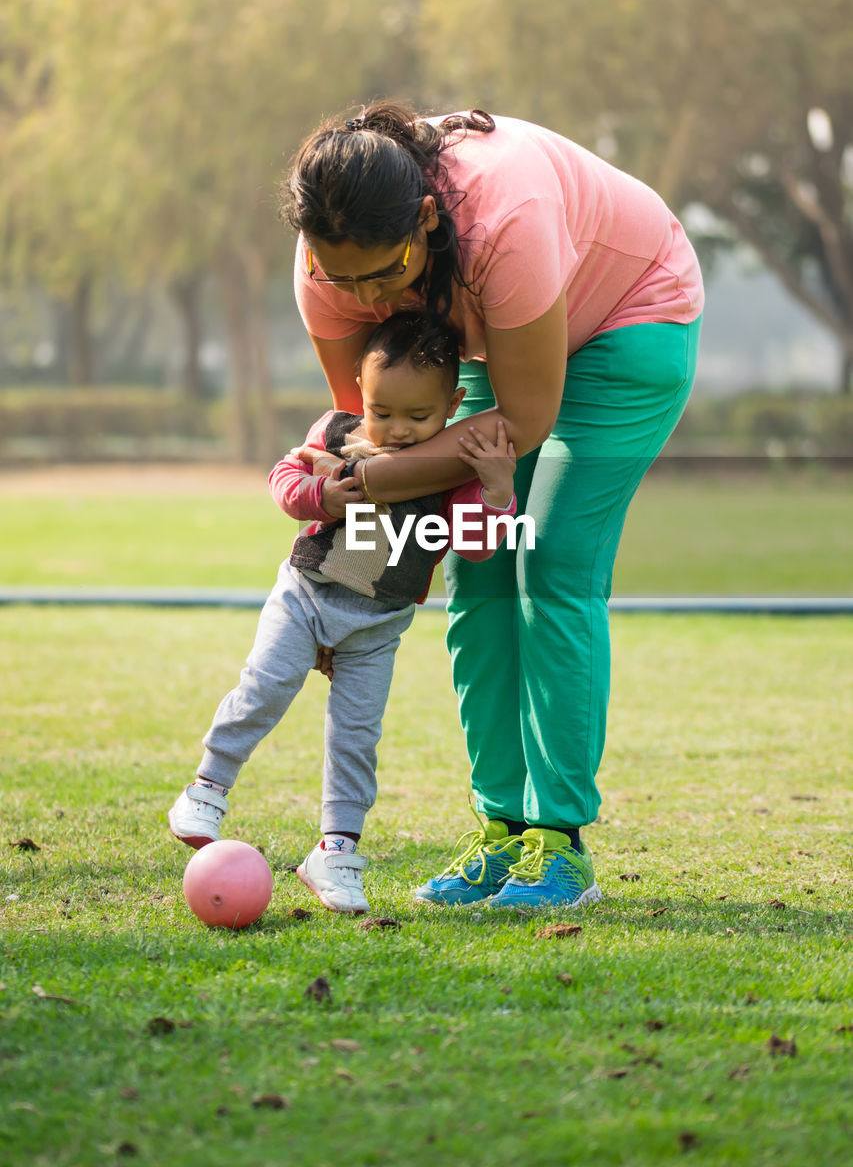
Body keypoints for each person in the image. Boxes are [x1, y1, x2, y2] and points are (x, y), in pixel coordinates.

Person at [280, 101, 704, 909]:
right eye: (345, 278)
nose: (366, 297)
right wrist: (346, 590)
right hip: (473, 334)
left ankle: (557, 844)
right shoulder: (323, 267)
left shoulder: (504, 213)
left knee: (547, 564)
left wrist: (366, 487)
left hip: (626, 319)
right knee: (474, 572)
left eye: (383, 272)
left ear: (427, 220)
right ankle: (498, 829)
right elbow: (381, 445)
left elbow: (524, 417)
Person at [168, 310, 518, 914]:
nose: (398, 431)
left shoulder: (450, 471)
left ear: (455, 402)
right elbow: (284, 475)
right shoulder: (338, 433)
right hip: (304, 597)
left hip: (376, 629)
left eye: (419, 417)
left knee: (356, 739)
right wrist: (318, 496)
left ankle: (335, 852)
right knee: (265, 687)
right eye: (383, 412)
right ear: (362, 390)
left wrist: (496, 490)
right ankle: (207, 788)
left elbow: (477, 540)